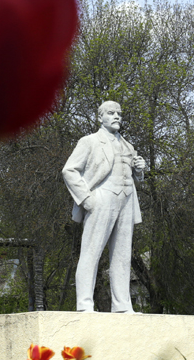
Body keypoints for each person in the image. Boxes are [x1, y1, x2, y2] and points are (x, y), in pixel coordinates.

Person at [62, 101, 147, 312]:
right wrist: (86, 198)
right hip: (101, 198)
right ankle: (84, 305)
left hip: (126, 201)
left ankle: (122, 306)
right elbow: (69, 170)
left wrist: (140, 170)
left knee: (122, 255)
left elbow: (134, 177)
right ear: (101, 117)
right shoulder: (89, 141)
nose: (117, 116)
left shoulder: (129, 146)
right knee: (91, 252)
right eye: (111, 113)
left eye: (119, 113)